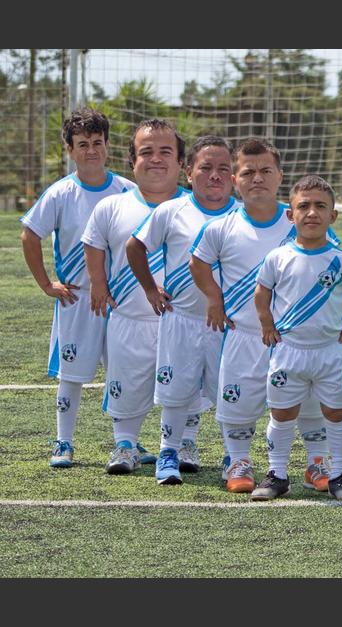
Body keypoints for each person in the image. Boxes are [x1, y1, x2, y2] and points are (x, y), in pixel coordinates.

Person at [190, 139, 339, 494]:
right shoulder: (221, 227)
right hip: (244, 334)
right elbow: (198, 262)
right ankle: (239, 461)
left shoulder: (301, 217)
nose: (257, 178)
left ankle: (316, 462)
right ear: (235, 179)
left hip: (297, 339)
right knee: (239, 401)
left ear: (279, 176)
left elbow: (331, 265)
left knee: (309, 404)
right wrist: (214, 298)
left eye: (265, 171)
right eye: (248, 172)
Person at [20, 107, 134, 469]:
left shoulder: (126, 191)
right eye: (82, 144)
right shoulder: (60, 193)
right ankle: (64, 443)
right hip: (76, 299)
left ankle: (126, 444)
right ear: (70, 149)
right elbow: (30, 234)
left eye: (97, 143)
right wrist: (45, 284)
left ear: (107, 146)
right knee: (72, 376)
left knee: (122, 371)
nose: (91, 151)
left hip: (118, 301)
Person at [126, 136, 239, 484]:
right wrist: (149, 287)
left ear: (234, 177)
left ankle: (235, 458)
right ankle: (168, 453)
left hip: (229, 326)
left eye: (224, 169)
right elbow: (135, 246)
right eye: (206, 167)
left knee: (230, 391)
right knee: (174, 392)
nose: (215, 175)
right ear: (189, 172)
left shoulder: (243, 214)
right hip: (181, 319)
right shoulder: (171, 211)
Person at [252, 175, 342, 501]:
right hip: (288, 350)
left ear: (333, 216)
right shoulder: (277, 257)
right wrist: (266, 324)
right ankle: (277, 474)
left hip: (331, 351)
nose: (312, 213)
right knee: (282, 413)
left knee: (336, 414)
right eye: (303, 206)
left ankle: (339, 475)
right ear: (291, 215)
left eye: (321, 206)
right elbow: (261, 295)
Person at [81, 118, 186, 474]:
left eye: (165, 152)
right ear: (132, 161)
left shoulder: (196, 208)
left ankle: (184, 444)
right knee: (125, 384)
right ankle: (124, 445)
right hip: (128, 317)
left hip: (183, 321)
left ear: (181, 163)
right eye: (146, 152)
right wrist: (98, 282)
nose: (155, 159)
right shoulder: (112, 207)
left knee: (187, 385)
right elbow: (93, 243)